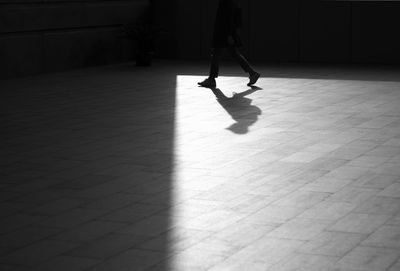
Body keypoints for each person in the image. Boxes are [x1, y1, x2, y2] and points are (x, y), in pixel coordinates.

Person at [198, 0, 260, 88]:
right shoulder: (232, 2)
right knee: (233, 53)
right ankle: (252, 73)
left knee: (217, 54)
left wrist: (229, 34)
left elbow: (227, 18)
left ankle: (211, 79)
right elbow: (237, 18)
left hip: (223, 33)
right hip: (227, 32)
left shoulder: (226, 2)